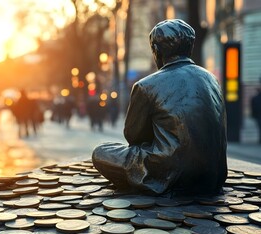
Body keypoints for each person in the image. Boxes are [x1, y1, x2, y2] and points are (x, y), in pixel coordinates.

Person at [92, 19, 227, 197]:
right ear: (190, 47)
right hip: (213, 175)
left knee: (101, 152)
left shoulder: (146, 86)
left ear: (156, 50)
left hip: (169, 174)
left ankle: (149, 185)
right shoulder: (212, 80)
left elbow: (134, 136)